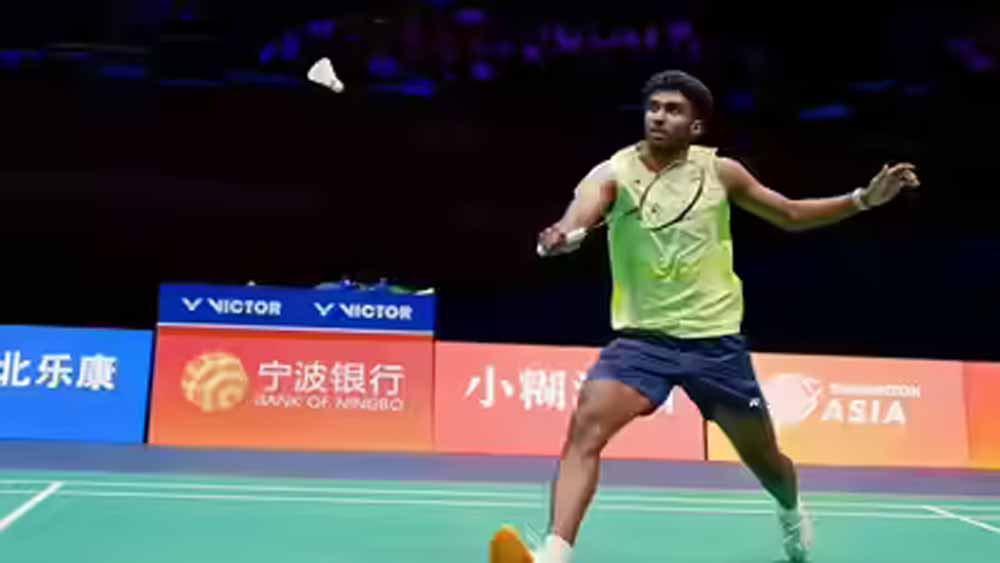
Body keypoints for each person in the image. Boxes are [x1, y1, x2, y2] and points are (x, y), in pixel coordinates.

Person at [490, 70, 920, 563]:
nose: (659, 117)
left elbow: (790, 214)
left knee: (767, 462)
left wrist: (862, 199)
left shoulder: (721, 172)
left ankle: (790, 510)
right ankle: (553, 553)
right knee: (587, 426)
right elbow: (581, 211)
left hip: (716, 346)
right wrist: (562, 234)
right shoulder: (613, 172)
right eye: (654, 107)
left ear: (695, 127)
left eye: (673, 110)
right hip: (643, 342)